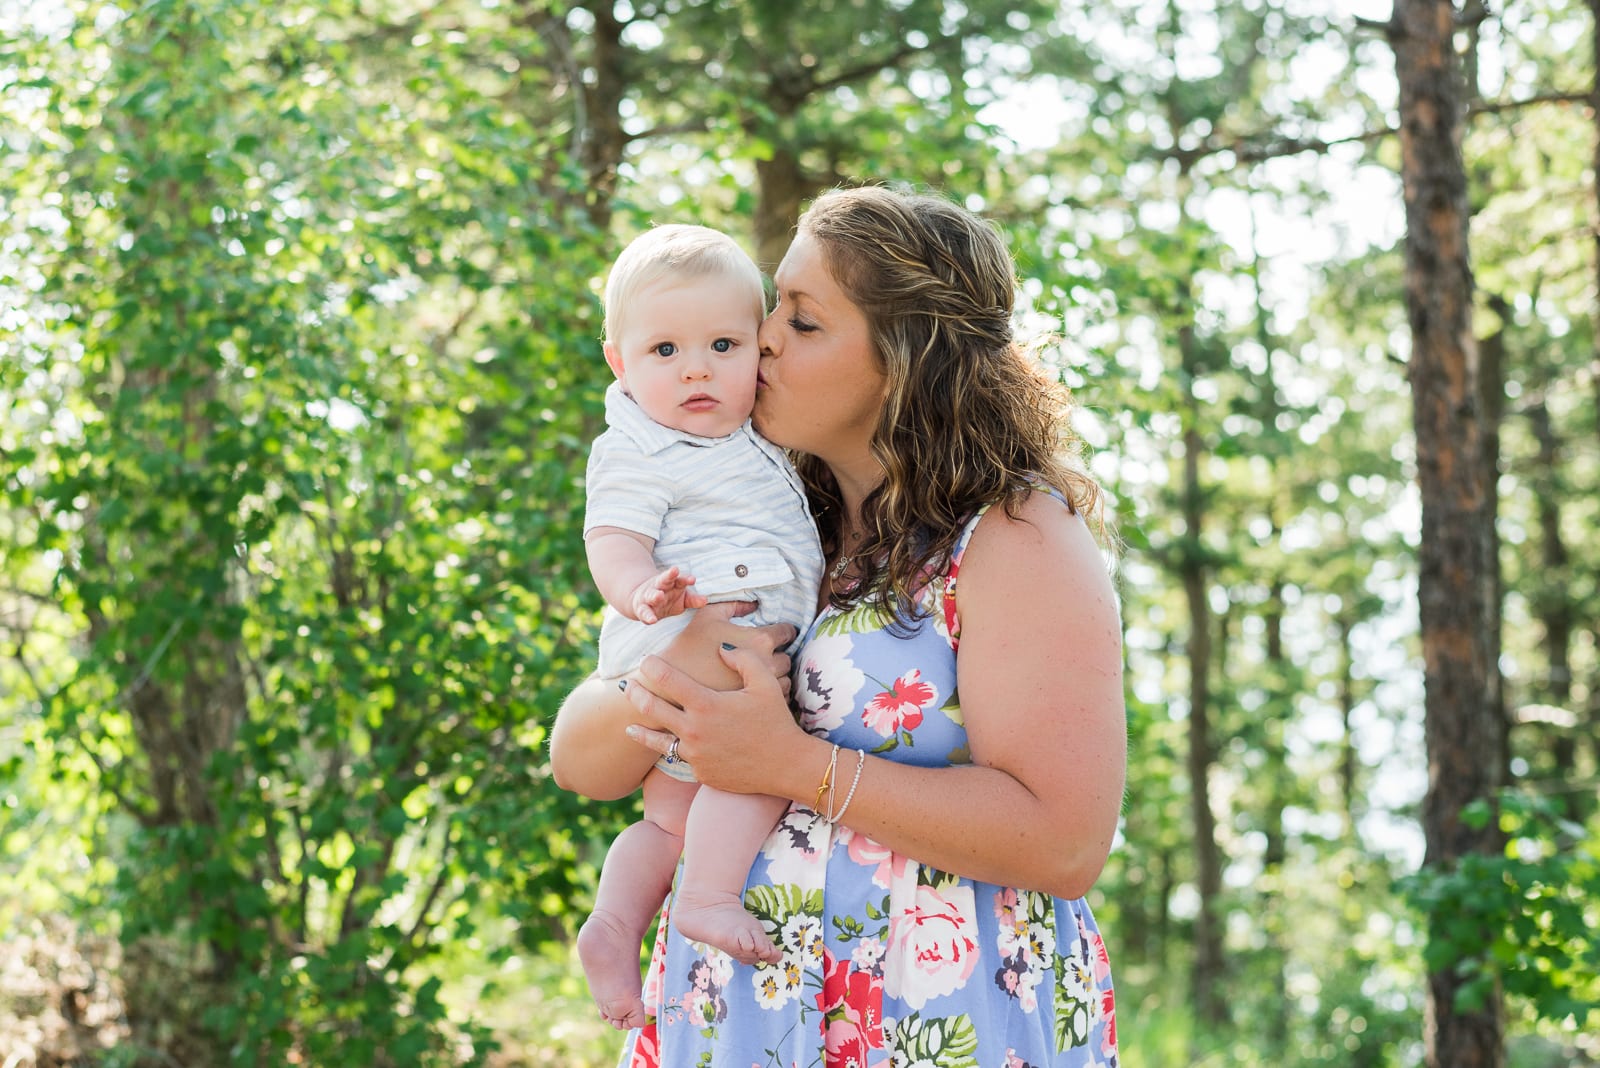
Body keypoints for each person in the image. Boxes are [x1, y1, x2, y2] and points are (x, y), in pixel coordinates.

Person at [551, 185, 1125, 1067]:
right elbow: (579, 763)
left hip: (933, 1015)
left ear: (904, 360)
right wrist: (674, 662)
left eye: (805, 321)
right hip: (742, 1016)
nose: (764, 334)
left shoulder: (1016, 537)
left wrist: (792, 767)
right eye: (775, 303)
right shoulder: (774, 519)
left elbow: (1066, 841)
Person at [577, 224, 824, 1030]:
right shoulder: (641, 446)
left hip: (727, 654)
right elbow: (611, 538)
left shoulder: (765, 436)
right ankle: (708, 899)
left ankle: (613, 925)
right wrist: (640, 591)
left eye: (723, 344)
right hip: (684, 636)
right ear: (619, 363)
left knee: (667, 816)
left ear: (760, 346)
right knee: (753, 775)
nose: (696, 369)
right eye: (664, 352)